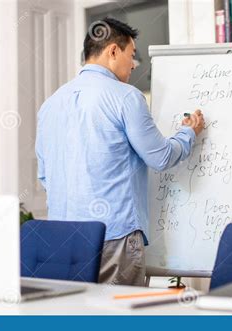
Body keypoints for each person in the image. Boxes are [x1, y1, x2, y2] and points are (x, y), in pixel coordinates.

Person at [35, 17, 205, 286]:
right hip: (113, 239)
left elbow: (45, 177)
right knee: (119, 323)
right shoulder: (126, 97)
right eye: (131, 55)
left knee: (74, 320)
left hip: (63, 240)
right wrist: (189, 133)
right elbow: (160, 157)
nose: (134, 64)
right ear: (113, 50)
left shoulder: (50, 104)